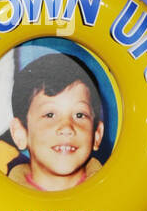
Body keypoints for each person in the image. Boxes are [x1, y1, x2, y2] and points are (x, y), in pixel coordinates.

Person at [6, 51, 105, 191]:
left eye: (79, 115)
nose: (67, 128)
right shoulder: (1, 201)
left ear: (97, 134)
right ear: (20, 133)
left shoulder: (118, 197)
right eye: (50, 115)